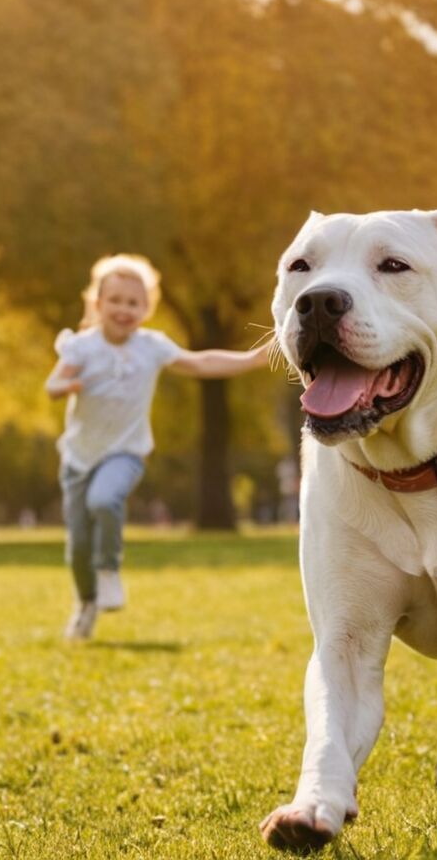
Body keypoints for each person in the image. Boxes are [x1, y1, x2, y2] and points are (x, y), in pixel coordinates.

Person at [46, 254, 271, 640]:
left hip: (126, 453)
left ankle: (109, 571)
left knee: (105, 500)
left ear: (146, 308)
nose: (123, 309)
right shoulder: (81, 348)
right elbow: (53, 384)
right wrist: (65, 387)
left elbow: (200, 363)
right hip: (79, 458)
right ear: (98, 304)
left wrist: (252, 359)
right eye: (115, 300)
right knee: (78, 545)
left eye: (133, 303)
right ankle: (86, 603)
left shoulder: (152, 347)